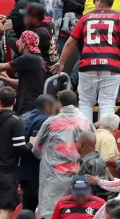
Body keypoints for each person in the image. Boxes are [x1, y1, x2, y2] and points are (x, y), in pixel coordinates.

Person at [52, 0, 120, 123]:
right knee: (106, 103)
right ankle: (104, 137)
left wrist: (61, 63)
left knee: (85, 103)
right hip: (111, 67)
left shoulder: (86, 18)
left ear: (99, 2)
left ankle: (85, 138)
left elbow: (70, 43)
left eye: (95, 1)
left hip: (87, 66)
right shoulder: (118, 17)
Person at [33, 90, 96, 219]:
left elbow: (37, 149)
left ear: (60, 104)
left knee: (50, 211)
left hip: (53, 175)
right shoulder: (87, 122)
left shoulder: (50, 122)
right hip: (80, 173)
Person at [0, 86, 33, 219]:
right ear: (15, 101)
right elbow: (20, 148)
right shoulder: (15, 121)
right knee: (6, 211)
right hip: (8, 172)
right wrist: (32, 143)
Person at [0, 30, 45, 116]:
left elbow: (1, 67)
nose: (18, 44)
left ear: (24, 44)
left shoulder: (28, 58)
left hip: (27, 106)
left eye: (20, 41)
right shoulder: (37, 59)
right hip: (31, 103)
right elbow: (22, 82)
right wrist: (2, 78)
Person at [18, 94, 57, 212]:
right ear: (48, 106)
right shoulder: (45, 122)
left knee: (27, 208)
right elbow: (41, 147)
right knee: (44, 208)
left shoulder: (24, 120)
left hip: (24, 170)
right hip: (38, 172)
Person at [5, 2, 59, 70]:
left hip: (41, 72)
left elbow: (19, 47)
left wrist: (8, 30)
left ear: (36, 19)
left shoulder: (36, 33)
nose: (24, 18)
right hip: (49, 66)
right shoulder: (49, 24)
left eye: (27, 16)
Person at [74, 131, 110, 200]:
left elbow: (79, 187)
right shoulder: (100, 158)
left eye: (77, 142)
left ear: (81, 144)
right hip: (103, 200)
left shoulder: (87, 163)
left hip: (91, 203)